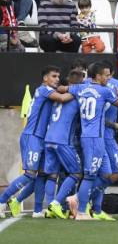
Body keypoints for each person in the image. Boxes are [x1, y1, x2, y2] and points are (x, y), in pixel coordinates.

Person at [0, 65, 74, 218]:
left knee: (41, 175)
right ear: (45, 78)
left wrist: (67, 88)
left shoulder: (49, 90)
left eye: (58, 76)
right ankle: (2, 201)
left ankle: (38, 210)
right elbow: (62, 97)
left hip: (42, 138)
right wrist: (79, 90)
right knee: (30, 174)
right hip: (32, 136)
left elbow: (61, 91)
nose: (57, 79)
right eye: (53, 76)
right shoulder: (43, 90)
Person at [67, 62, 118, 220]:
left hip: (94, 137)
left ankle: (85, 203)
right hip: (94, 137)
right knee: (90, 175)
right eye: (106, 75)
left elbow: (65, 89)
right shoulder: (105, 90)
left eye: (109, 75)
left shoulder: (81, 87)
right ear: (98, 76)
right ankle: (81, 210)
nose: (108, 78)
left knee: (107, 174)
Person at [42, 70, 84, 219]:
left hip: (49, 138)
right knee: (76, 173)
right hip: (63, 140)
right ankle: (56, 203)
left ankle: (48, 209)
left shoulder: (57, 97)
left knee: (52, 175)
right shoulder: (77, 95)